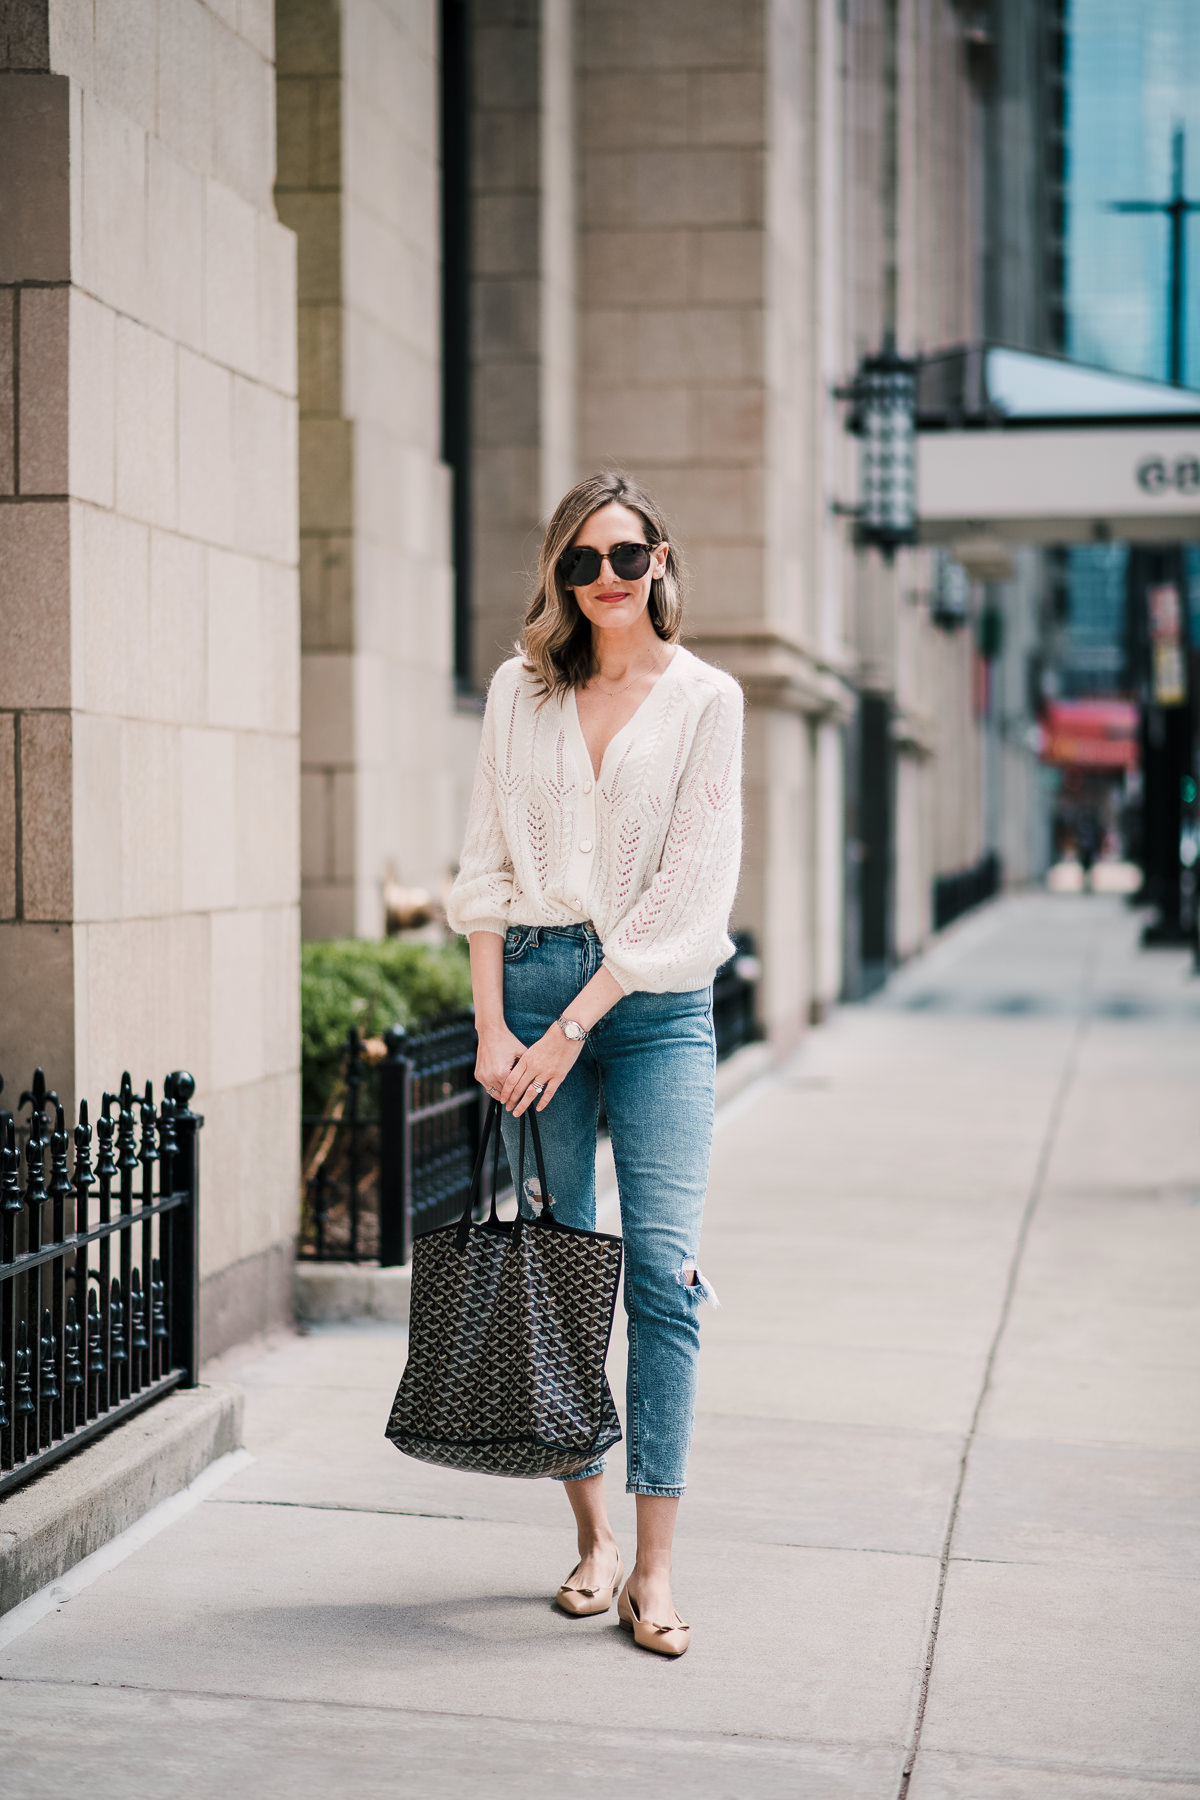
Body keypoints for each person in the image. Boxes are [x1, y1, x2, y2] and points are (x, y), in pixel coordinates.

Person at [446, 470, 744, 1658]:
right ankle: (591, 1539)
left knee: (659, 1276)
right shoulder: (518, 694)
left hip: (654, 1005)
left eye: (626, 557)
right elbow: (480, 867)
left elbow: (690, 888)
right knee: (564, 1261)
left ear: (662, 559)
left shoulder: (707, 698)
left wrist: (575, 1025)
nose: (606, 580)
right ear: (558, 576)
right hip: (528, 981)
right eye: (582, 563)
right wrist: (491, 1032)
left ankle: (657, 1566)